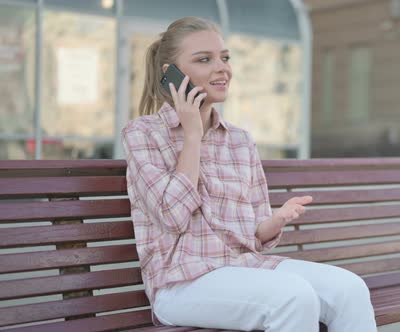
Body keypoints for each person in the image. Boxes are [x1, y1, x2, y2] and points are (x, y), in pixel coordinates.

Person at [121, 16, 377, 332]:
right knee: (293, 297)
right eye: (204, 59)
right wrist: (192, 135)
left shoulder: (240, 140)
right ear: (170, 75)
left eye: (224, 58)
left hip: (246, 267)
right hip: (181, 282)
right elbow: (172, 216)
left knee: (349, 289)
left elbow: (253, 234)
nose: (222, 68)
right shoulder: (143, 134)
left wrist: (275, 220)